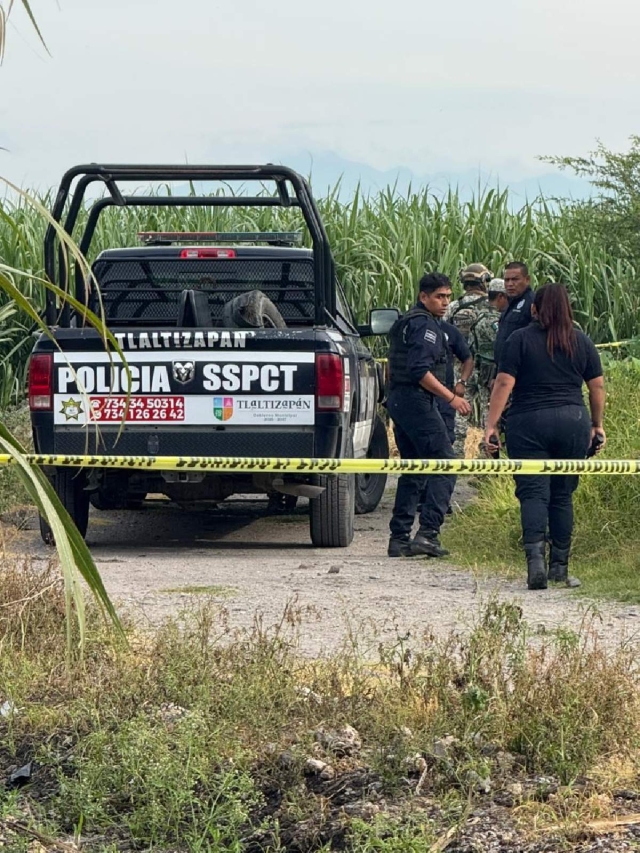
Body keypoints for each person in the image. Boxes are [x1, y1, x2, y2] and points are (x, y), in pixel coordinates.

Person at [484, 283, 606, 590]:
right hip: (573, 421)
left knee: (533, 493)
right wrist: (597, 425)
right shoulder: (581, 341)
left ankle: (535, 565)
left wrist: (491, 425)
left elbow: (503, 384)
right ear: (568, 310)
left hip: (529, 421)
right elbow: (597, 387)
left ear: (535, 309)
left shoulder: (519, 340)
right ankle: (560, 569)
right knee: (562, 496)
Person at [386, 272, 471, 558]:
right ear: (424, 297)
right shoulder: (426, 327)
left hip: (400, 401)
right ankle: (428, 533)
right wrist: (452, 398)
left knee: (414, 469)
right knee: (446, 463)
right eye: (439, 296)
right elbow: (419, 371)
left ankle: (399, 538)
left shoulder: (406, 323)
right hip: (416, 400)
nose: (445, 302)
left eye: (448, 296)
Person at [445, 263, 493, 454]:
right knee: (490, 412)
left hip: (460, 368)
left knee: (458, 413)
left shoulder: (453, 307)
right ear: (484, 281)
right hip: (486, 368)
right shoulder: (492, 305)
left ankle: (455, 455)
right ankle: (487, 460)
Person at [469, 278, 509, 429]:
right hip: (499, 372)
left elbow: (472, 347)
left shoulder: (478, 318)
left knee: (488, 411)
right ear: (501, 296)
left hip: (483, 371)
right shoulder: (499, 319)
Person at [493, 261, 534, 365]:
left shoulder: (532, 303)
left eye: (515, 279)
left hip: (522, 370)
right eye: (506, 280)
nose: (510, 284)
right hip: (504, 369)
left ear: (527, 280)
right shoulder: (510, 304)